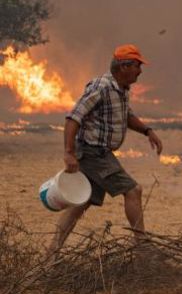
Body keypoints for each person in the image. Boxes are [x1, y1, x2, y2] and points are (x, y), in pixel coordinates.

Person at [50, 44, 164, 252]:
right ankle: (143, 249)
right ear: (124, 66)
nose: (140, 71)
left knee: (81, 202)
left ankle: (52, 251)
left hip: (100, 153)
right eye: (137, 66)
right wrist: (68, 153)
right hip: (94, 153)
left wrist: (148, 131)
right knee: (133, 190)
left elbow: (126, 116)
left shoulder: (122, 90)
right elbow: (73, 117)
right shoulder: (101, 87)